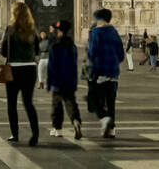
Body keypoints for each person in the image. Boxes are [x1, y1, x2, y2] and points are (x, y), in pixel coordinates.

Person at [0, 2, 40, 146]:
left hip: (13, 69)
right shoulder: (33, 30)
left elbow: (4, 51)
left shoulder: (10, 29)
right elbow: (38, 51)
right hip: (30, 69)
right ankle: (35, 134)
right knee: (28, 103)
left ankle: (14, 134)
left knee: (12, 103)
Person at [86, 8, 125, 138]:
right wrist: (113, 63)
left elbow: (92, 52)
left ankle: (104, 118)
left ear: (100, 19)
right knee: (111, 101)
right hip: (113, 71)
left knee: (94, 99)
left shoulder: (96, 32)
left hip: (100, 69)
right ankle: (112, 129)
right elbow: (121, 53)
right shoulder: (114, 32)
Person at [46, 21, 83, 140]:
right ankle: (76, 121)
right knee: (70, 102)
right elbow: (74, 64)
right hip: (69, 79)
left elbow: (51, 65)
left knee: (56, 105)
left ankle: (57, 128)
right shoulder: (72, 46)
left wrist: (49, 82)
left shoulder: (55, 46)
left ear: (59, 31)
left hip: (57, 80)